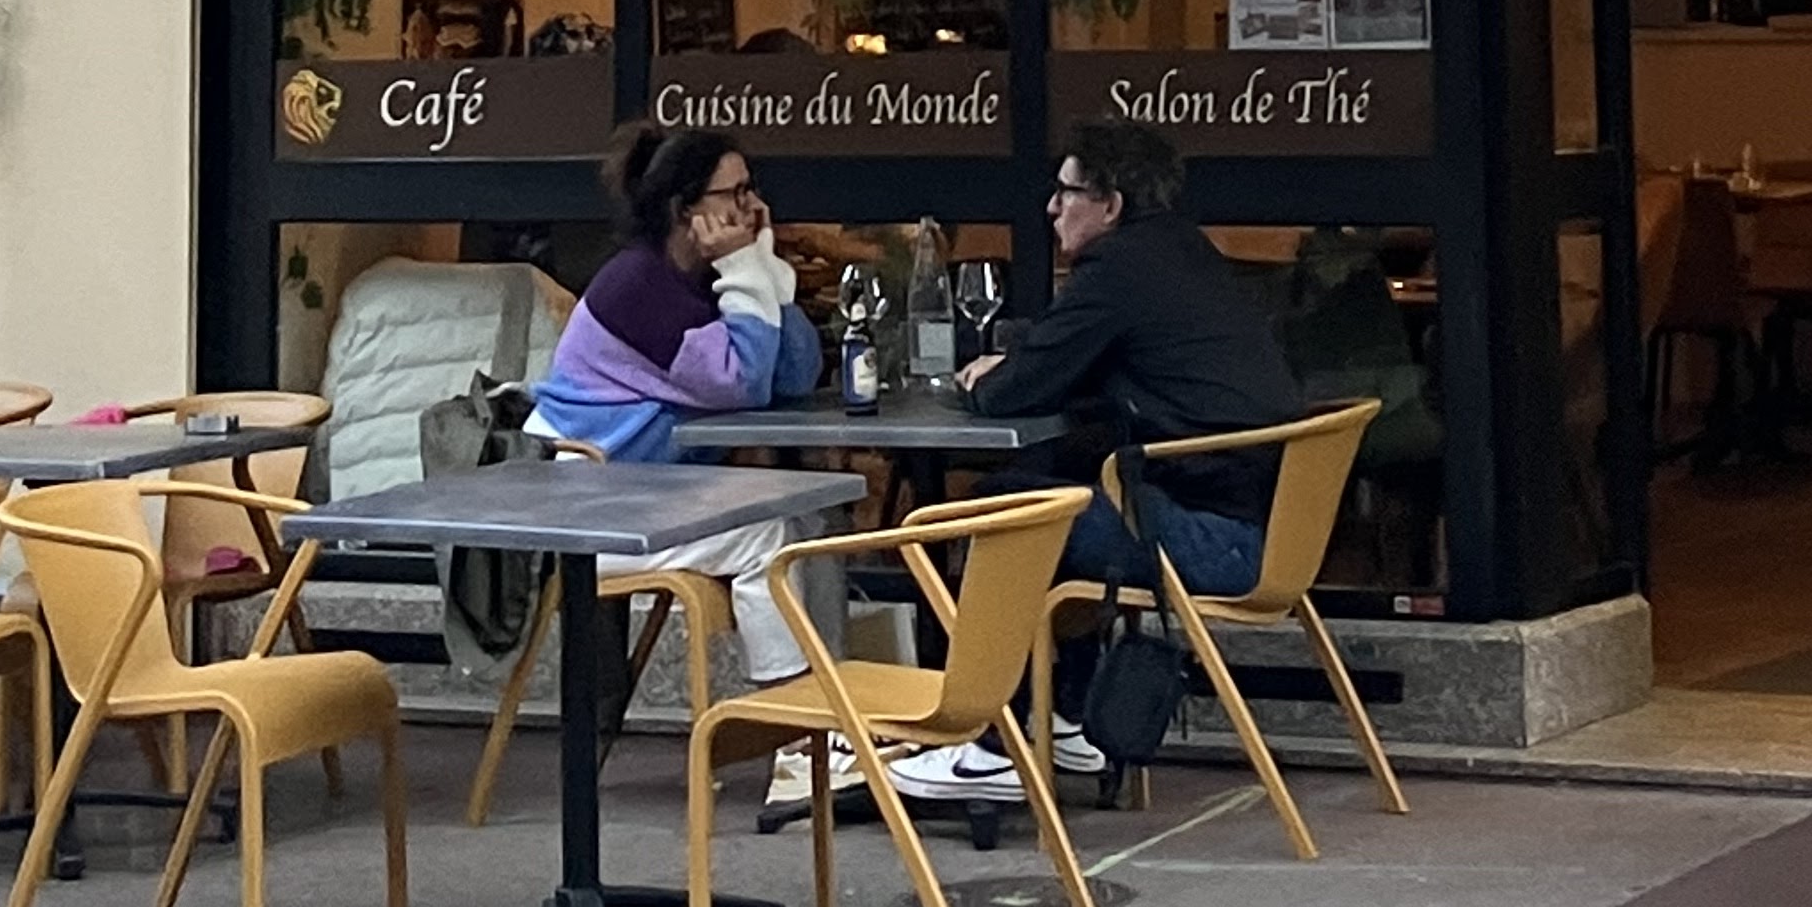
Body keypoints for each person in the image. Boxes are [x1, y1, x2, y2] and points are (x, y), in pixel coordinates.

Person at [895, 119, 1303, 808]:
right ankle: (1067, 717)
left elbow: (1012, 393)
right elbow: (1107, 361)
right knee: (1040, 489)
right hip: (1261, 527)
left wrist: (991, 374)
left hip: (1215, 541)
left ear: (1110, 205)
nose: (1051, 207)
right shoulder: (1183, 252)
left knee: (1004, 515)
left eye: (1067, 192)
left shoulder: (1117, 270)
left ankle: (989, 745)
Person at [530, 121, 846, 805]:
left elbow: (794, 374)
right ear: (685, 209)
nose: (753, 207)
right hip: (584, 509)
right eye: (735, 194)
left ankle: (836, 716)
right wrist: (747, 269)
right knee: (769, 534)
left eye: (751, 189)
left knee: (812, 520)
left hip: (641, 492)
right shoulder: (636, 289)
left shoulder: (702, 280)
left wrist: (760, 268)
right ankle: (798, 742)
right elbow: (744, 382)